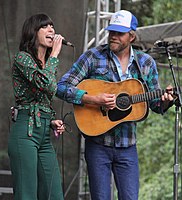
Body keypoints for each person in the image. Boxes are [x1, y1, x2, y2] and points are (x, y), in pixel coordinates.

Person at [56, 10, 175, 200]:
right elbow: (61, 87)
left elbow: (154, 104)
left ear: (132, 36)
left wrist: (166, 102)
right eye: (112, 32)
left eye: (119, 33)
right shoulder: (93, 57)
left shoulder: (146, 63)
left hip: (128, 147)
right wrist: (92, 99)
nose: (113, 37)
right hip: (98, 145)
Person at [8, 13, 66, 200]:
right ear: (33, 32)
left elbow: (44, 98)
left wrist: (51, 120)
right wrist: (55, 55)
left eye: (52, 26)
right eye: (45, 26)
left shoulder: (48, 63)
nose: (52, 30)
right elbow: (46, 84)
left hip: (43, 135)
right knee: (27, 194)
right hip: (25, 132)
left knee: (54, 194)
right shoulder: (22, 58)